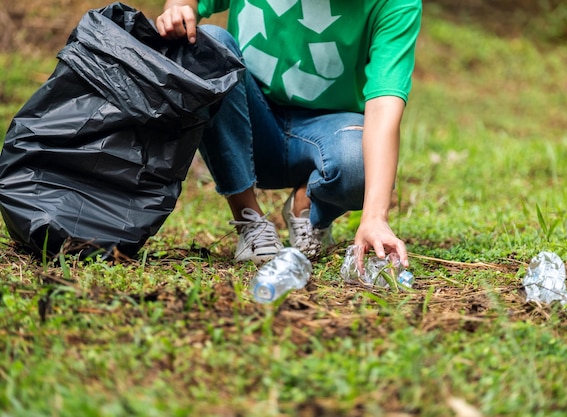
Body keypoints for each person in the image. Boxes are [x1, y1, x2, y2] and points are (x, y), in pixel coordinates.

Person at [156, 0, 421, 268]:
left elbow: (384, 106)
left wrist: (375, 216)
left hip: (327, 135)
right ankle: (248, 219)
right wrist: (178, 9)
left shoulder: (396, 4)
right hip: (251, 123)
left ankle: (308, 205)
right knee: (209, 43)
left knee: (360, 163)